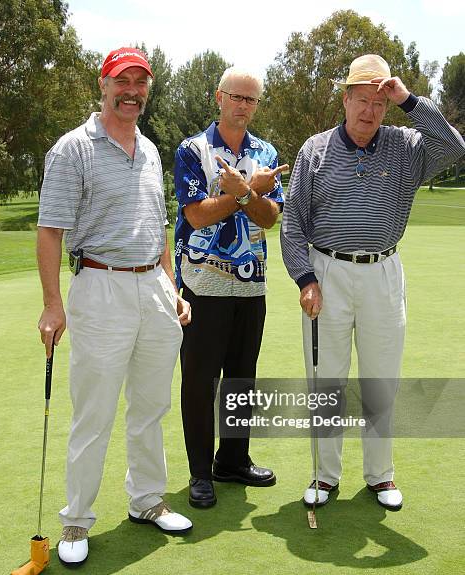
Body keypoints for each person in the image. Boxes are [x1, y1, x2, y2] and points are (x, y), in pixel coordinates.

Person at [281, 54, 465, 511]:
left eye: (379, 103)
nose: (369, 111)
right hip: (327, 271)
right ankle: (324, 476)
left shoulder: (406, 145)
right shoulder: (315, 150)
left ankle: (380, 476)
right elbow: (292, 223)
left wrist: (409, 101)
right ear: (345, 100)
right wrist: (305, 278)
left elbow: (455, 145)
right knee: (327, 378)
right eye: (362, 100)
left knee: (382, 378)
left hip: (383, 272)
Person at [37, 47, 193, 566]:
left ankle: (147, 499)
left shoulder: (148, 149)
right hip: (100, 285)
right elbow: (50, 230)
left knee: (151, 406)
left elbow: (161, 226)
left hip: (153, 287)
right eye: (122, 80)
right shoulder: (72, 149)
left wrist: (172, 287)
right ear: (103, 85)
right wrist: (52, 305)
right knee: (95, 412)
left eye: (140, 82)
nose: (132, 91)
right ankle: (77, 519)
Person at [174, 67, 288, 508]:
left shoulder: (266, 152)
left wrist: (245, 194)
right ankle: (201, 473)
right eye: (236, 97)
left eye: (251, 100)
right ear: (218, 96)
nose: (243, 105)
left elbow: (269, 217)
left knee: (241, 378)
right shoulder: (193, 150)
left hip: (250, 284)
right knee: (200, 382)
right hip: (202, 284)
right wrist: (245, 191)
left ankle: (233, 460)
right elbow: (197, 215)